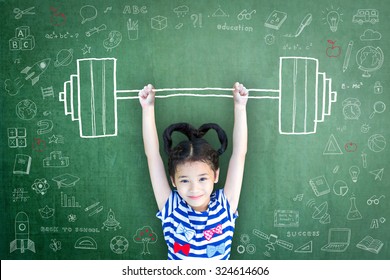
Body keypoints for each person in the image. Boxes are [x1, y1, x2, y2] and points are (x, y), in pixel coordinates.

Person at [139, 83, 248, 259]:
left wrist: (240, 107)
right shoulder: (171, 208)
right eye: (184, 180)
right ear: (173, 181)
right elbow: (152, 155)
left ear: (216, 175)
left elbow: (239, 155)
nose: (194, 188)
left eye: (202, 179)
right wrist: (147, 108)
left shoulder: (225, 205)